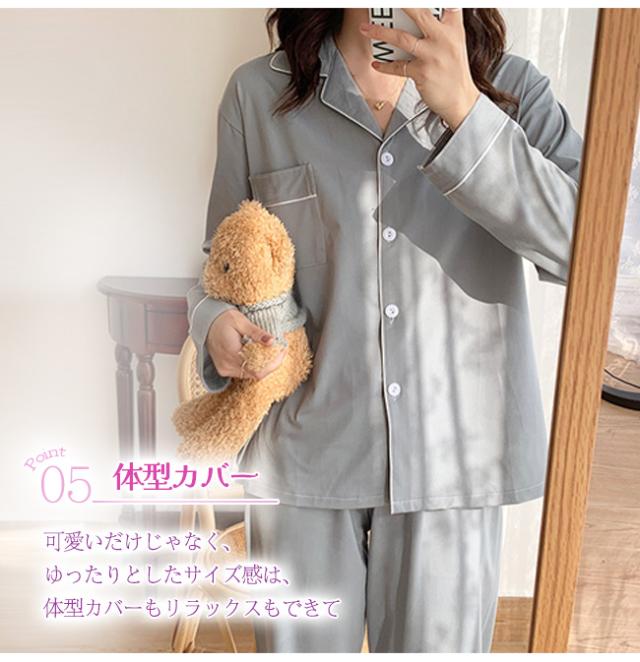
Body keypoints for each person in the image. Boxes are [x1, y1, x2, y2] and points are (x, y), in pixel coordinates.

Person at [185, 8, 583, 653]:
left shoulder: (513, 89)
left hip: (454, 461)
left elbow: (586, 251)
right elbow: (222, 262)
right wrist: (213, 322)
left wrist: (466, 112)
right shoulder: (259, 93)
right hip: (304, 456)